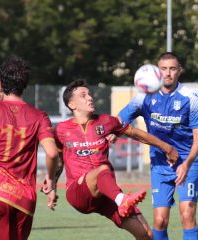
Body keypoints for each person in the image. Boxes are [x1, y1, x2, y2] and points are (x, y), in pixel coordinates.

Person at [42, 79, 179, 240]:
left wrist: (167, 147)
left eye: (90, 94)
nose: (90, 98)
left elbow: (135, 132)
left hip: (106, 194)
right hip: (78, 192)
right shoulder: (60, 130)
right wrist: (52, 187)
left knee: (146, 234)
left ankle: (121, 201)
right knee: (103, 169)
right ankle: (122, 200)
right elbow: (58, 161)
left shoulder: (106, 121)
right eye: (83, 95)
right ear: (71, 104)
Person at [0, 55, 59, 240]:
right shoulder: (39, 116)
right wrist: (50, 180)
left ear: (1, 82)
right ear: (25, 84)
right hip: (25, 201)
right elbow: (52, 153)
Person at [118, 52, 198, 240]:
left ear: (179, 71)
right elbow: (119, 121)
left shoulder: (190, 97)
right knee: (159, 220)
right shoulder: (143, 97)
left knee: (187, 215)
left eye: (173, 69)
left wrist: (187, 163)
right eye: (163, 69)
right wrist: (108, 132)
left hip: (187, 162)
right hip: (159, 164)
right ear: (158, 71)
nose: (168, 73)